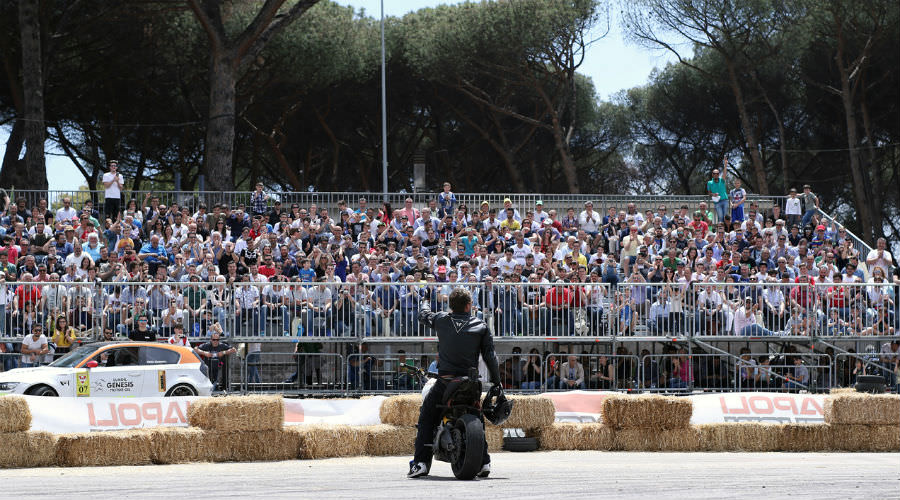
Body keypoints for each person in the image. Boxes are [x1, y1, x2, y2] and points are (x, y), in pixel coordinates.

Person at [409, 287, 500, 479]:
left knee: (427, 416)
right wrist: (497, 383)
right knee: (477, 416)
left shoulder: (442, 319)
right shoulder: (481, 325)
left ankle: (420, 463)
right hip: (471, 383)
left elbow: (422, 315)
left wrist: (426, 298)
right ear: (469, 306)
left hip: (446, 381)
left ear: (451, 306)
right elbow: (490, 357)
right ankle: (484, 462)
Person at [194, 327, 236, 391]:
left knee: (219, 380)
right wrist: (204, 353)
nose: (215, 341)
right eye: (214, 340)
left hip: (220, 368)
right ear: (211, 340)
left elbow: (234, 349)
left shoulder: (222, 345)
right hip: (208, 368)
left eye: (217, 340)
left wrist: (224, 352)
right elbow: (195, 349)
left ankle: (220, 389)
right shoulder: (207, 345)